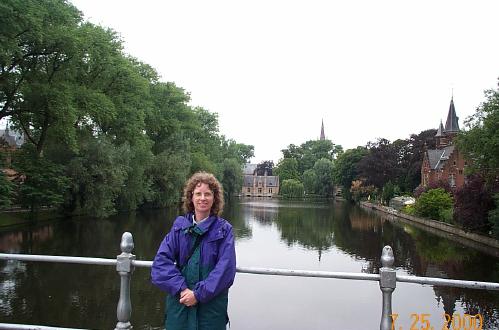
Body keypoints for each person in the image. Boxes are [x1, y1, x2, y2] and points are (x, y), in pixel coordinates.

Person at [151, 172, 236, 330]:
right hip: (180, 305)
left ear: (214, 198)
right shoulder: (179, 229)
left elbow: (225, 270)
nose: (202, 198)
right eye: (198, 193)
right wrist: (182, 289)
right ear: (191, 197)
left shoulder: (224, 230)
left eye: (207, 194)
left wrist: (198, 295)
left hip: (210, 309)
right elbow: (160, 265)